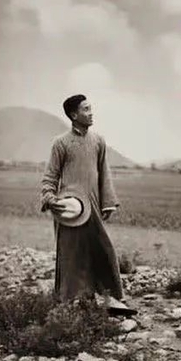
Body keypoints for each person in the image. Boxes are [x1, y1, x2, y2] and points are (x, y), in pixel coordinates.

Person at [41, 94, 134, 315]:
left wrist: (108, 203)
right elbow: (50, 177)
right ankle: (69, 303)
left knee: (103, 249)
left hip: (92, 206)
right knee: (71, 254)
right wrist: (49, 198)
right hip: (70, 209)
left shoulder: (98, 141)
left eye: (91, 108)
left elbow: (104, 173)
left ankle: (111, 298)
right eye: (86, 109)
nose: (91, 113)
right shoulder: (61, 143)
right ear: (74, 115)